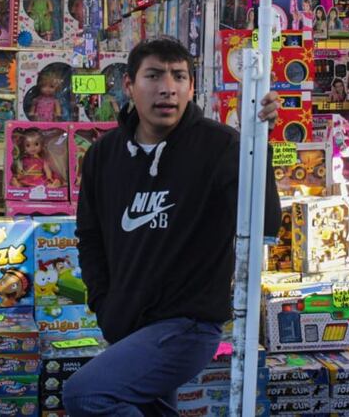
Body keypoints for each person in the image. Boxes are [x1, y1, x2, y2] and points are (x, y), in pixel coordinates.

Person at [65, 37, 281, 415]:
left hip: (187, 325)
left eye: (179, 77)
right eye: (154, 75)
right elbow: (90, 236)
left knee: (86, 394)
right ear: (129, 85)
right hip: (126, 325)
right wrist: (104, 304)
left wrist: (258, 146)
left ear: (191, 87)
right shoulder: (104, 154)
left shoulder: (221, 147)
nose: (168, 88)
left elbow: (263, 224)